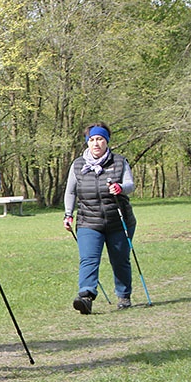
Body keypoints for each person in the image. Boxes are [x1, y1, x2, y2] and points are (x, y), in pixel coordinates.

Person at [63, 122, 135, 314]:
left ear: (106, 141)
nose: (96, 143)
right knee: (88, 259)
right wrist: (68, 215)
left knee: (120, 259)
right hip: (88, 221)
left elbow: (130, 184)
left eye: (100, 139)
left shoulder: (119, 162)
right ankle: (86, 297)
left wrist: (120, 188)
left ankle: (124, 295)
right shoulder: (78, 165)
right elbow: (71, 192)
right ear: (87, 142)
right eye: (92, 139)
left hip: (118, 220)